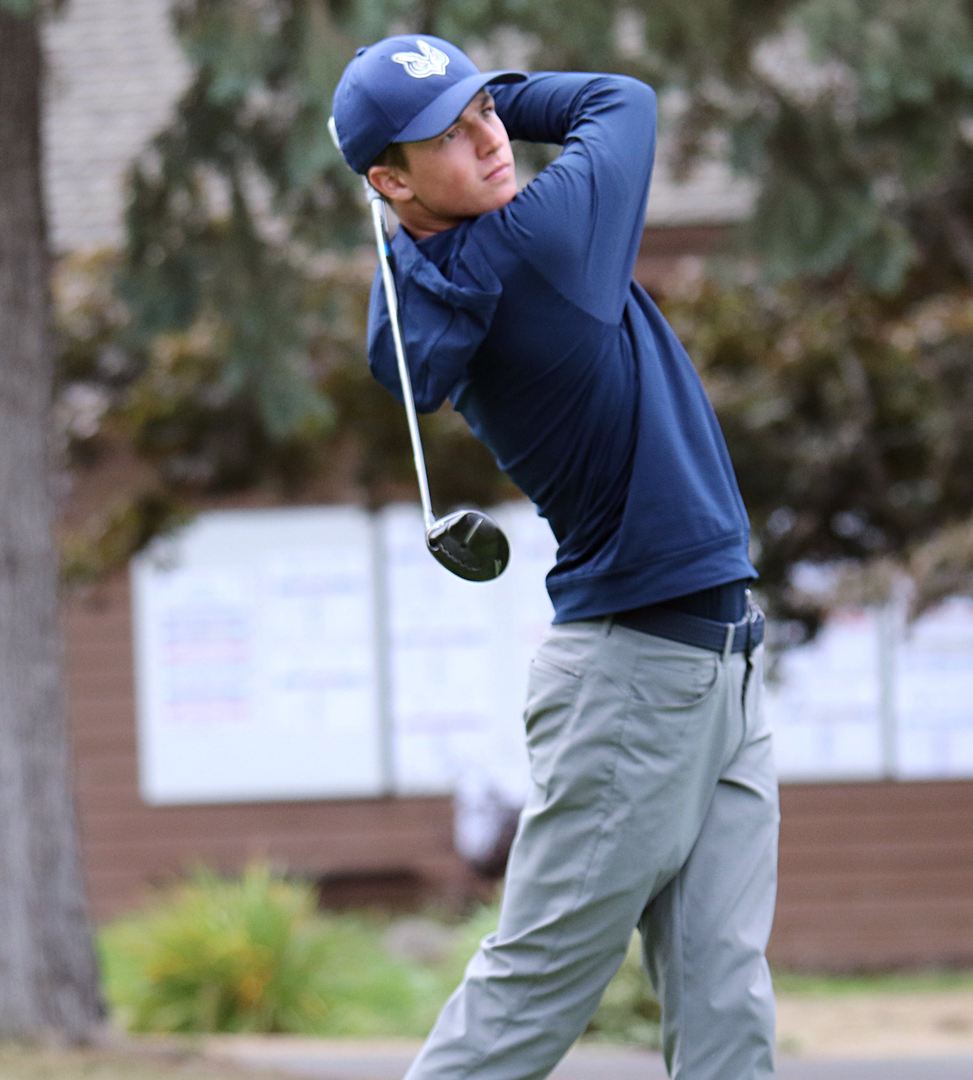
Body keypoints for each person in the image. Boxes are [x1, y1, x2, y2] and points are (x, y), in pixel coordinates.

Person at [332, 35, 780, 1080]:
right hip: (641, 679)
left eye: (486, 108)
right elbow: (621, 101)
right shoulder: (538, 245)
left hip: (715, 659)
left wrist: (465, 103)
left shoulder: (438, 272)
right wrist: (522, 95)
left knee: (725, 998)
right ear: (390, 181)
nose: (489, 137)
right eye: (447, 134)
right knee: (532, 996)